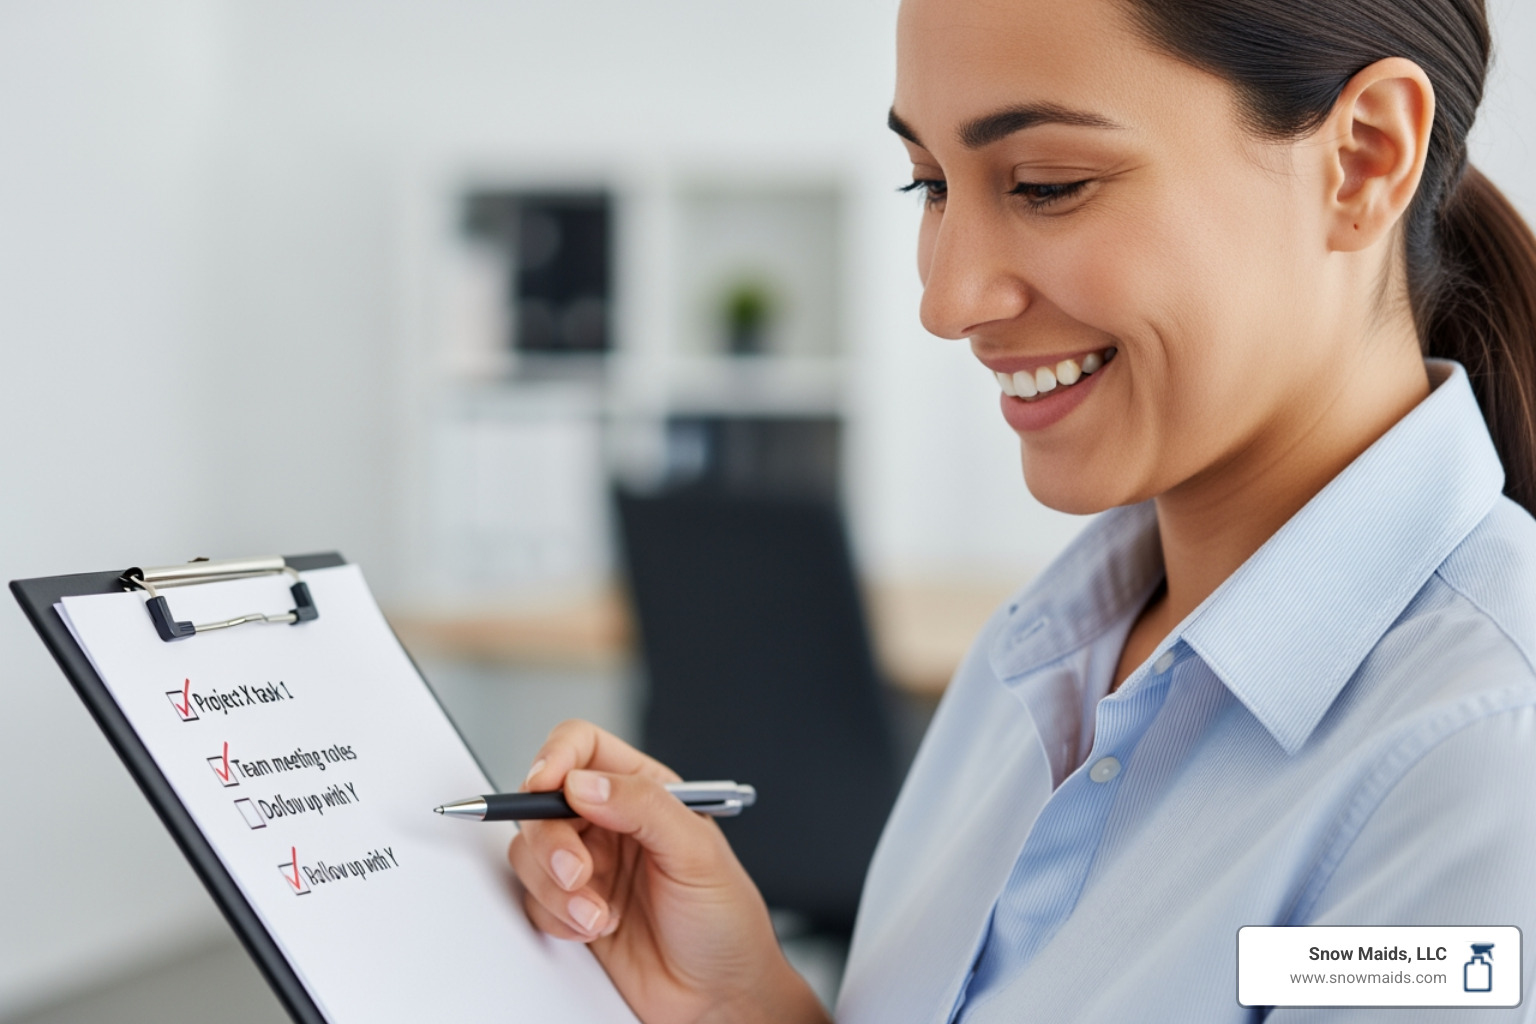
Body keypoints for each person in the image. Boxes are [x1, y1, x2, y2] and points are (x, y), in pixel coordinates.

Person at [508, 0, 1536, 1019]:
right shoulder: (1039, 657)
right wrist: (739, 1006)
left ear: (1363, 158)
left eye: (1048, 185)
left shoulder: (1483, 759)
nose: (947, 301)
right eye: (930, 184)